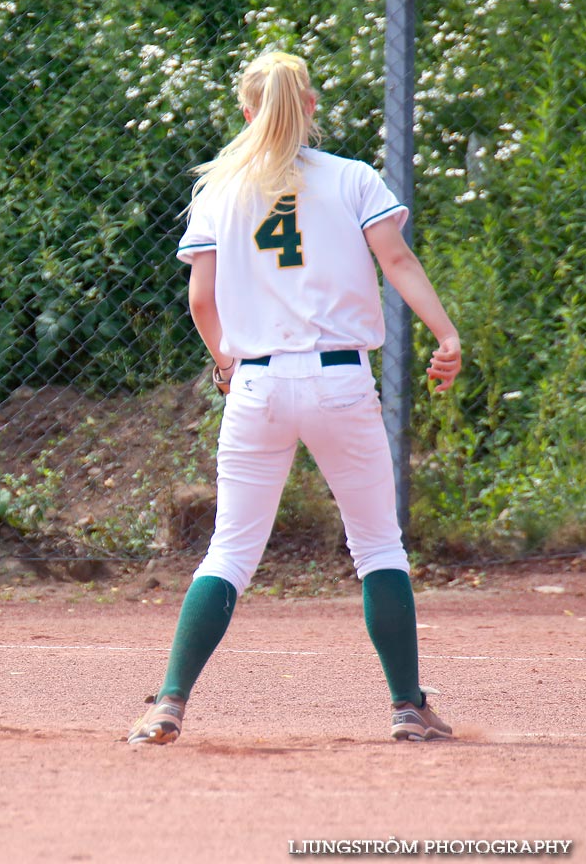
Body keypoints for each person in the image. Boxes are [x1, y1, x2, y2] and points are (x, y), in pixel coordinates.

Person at [128, 51, 463, 745]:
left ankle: (168, 703)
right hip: (340, 380)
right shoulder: (352, 179)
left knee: (229, 551)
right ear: (309, 105)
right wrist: (445, 333)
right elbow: (396, 261)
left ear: (248, 112)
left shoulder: (220, 189)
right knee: (377, 547)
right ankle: (408, 707)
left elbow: (201, 299)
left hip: (258, 382)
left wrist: (225, 365)